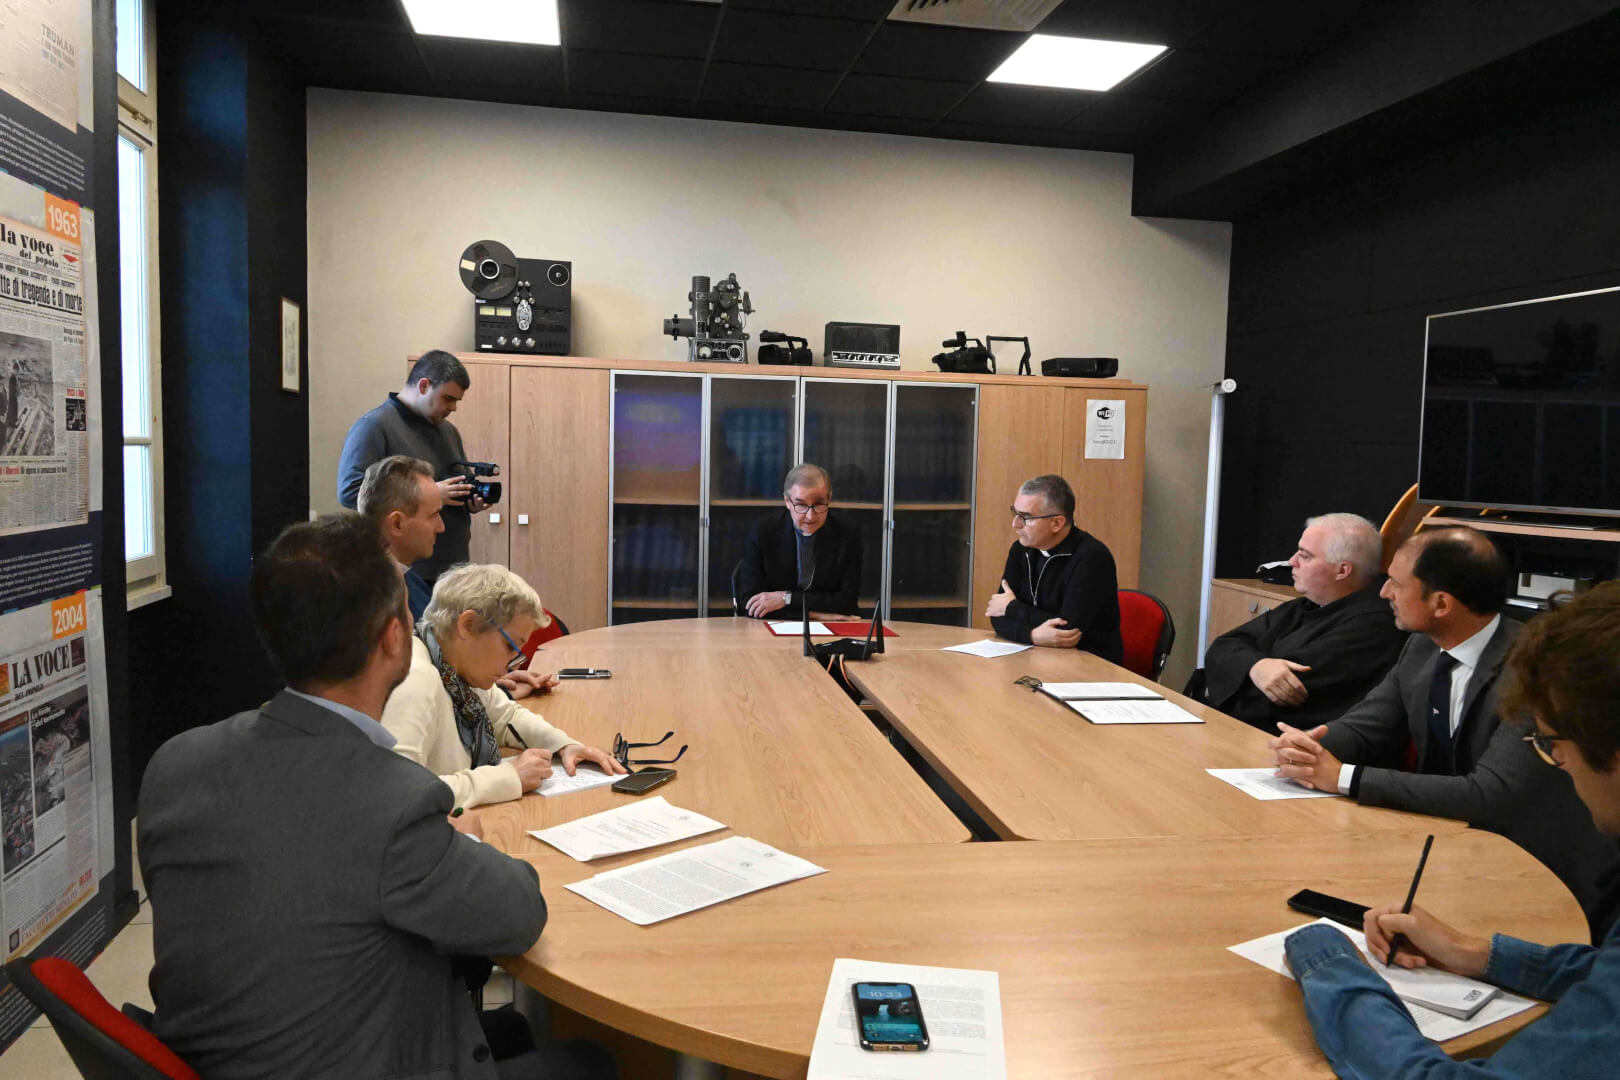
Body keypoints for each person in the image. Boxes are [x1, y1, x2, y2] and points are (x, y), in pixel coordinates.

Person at [138, 514, 612, 1078]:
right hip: (357, 1059)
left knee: (509, 1030)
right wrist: (464, 840)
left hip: (231, 1055)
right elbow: (520, 915)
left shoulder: (174, 764)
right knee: (590, 1063)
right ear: (393, 639)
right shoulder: (395, 800)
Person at [1284, 580, 1620, 1077]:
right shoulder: (1418, 651)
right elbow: (1604, 973)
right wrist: (1474, 953)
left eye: (1551, 743)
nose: (1558, 763)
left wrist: (1329, 967)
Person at [1270, 527, 1620, 923]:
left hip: (1539, 872)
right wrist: (1310, 745)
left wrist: (1344, 777)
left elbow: (1492, 793)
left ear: (1441, 604)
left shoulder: (1533, 667)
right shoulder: (1422, 645)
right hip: (1445, 849)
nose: (1384, 593)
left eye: (1396, 583)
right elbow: (1369, 724)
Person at [381, 563, 625, 809]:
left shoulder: (455, 666)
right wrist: (508, 777)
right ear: (468, 625)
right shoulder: (414, 680)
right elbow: (397, 794)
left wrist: (565, 745)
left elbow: (506, 717)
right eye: (510, 647)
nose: (510, 664)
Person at [1200, 513, 1406, 731]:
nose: (1292, 562)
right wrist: (1256, 666)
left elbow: (1276, 698)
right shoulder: (1306, 605)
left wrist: (1228, 675)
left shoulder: (1371, 626)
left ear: (1342, 570)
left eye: (1305, 556)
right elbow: (1222, 645)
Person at [338, 349, 481, 584]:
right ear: (423, 386)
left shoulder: (448, 431)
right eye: (448, 398)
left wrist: (470, 498)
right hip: (408, 572)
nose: (453, 408)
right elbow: (351, 491)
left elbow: (456, 484)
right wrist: (431, 494)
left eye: (457, 401)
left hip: (454, 568)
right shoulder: (373, 426)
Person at [985, 474, 1123, 662]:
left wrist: (1012, 608)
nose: (1015, 524)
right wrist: (1032, 635)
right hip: (1034, 655)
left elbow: (1067, 630)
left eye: (1026, 517)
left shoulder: (1092, 558)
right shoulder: (1020, 550)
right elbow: (997, 616)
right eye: (1015, 513)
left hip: (1088, 663)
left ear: (1057, 523)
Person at [736, 463, 864, 619]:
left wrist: (786, 598)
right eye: (801, 505)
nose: (810, 516)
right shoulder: (763, 532)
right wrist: (815, 615)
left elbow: (847, 602)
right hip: (770, 627)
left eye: (819, 504)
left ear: (829, 499)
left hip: (832, 627)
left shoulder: (848, 533)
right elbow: (749, 604)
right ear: (787, 501)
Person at [358, 454, 444, 619]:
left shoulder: (408, 578)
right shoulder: (368, 601)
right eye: (433, 515)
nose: (441, 527)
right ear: (397, 523)